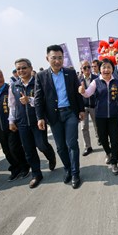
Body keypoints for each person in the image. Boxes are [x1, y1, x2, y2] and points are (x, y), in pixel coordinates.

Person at [34, 45, 85, 189]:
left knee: (72, 144)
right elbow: (38, 98)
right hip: (53, 115)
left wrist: (81, 109)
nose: (57, 61)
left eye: (60, 58)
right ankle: (67, 168)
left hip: (70, 113)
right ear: (47, 58)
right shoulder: (41, 76)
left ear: (63, 58)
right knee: (61, 147)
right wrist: (40, 117)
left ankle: (75, 173)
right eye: (54, 58)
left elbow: (77, 93)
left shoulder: (70, 73)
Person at [8, 58, 56, 188]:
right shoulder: (13, 86)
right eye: (18, 69)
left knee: (42, 145)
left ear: (30, 68)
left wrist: (29, 99)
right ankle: (36, 174)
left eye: (24, 68)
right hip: (22, 122)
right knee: (28, 150)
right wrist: (12, 120)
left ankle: (51, 157)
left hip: (38, 120)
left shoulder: (38, 82)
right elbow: (12, 105)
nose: (21, 71)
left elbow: (45, 101)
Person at [0, 67, 30, 181]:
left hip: (12, 124)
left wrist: (14, 121)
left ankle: (24, 167)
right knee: (6, 150)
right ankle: (15, 169)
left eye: (1, 75)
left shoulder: (11, 89)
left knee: (15, 148)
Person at [79, 59, 118, 175]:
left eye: (109, 67)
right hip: (100, 116)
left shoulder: (116, 82)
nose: (106, 69)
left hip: (114, 116)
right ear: (100, 69)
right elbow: (88, 93)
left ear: (112, 69)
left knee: (115, 140)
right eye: (103, 67)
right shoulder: (96, 82)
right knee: (103, 139)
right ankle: (108, 153)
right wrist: (83, 91)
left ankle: (114, 161)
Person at [79, 60, 99, 156]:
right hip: (83, 108)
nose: (87, 69)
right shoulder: (78, 80)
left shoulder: (96, 78)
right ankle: (88, 147)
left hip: (94, 106)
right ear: (81, 69)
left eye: (88, 67)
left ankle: (99, 138)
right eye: (84, 67)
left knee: (97, 125)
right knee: (84, 127)